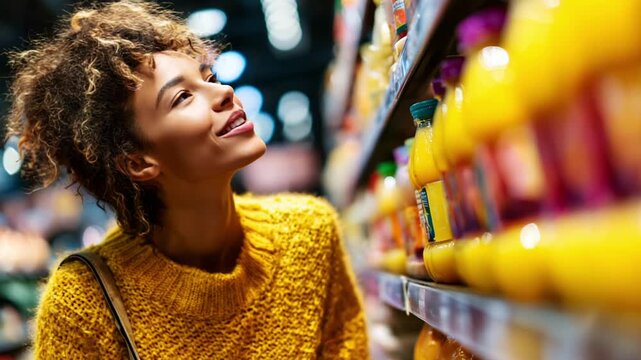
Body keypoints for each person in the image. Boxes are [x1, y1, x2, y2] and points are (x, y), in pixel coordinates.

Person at [5, 1, 369, 358]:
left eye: (208, 77)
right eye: (182, 97)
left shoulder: (309, 233)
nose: (224, 92)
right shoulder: (83, 303)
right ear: (137, 162)